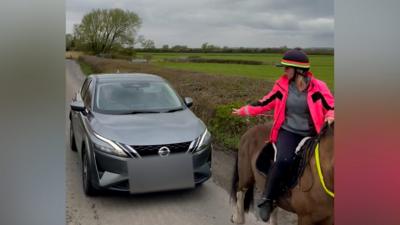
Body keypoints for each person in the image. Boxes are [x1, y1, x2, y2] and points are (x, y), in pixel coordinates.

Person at [232, 48, 334, 222]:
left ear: (298, 70)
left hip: (313, 133)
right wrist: (246, 110)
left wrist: (331, 115)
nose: (284, 71)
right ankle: (268, 200)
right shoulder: (282, 85)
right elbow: (266, 102)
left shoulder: (319, 87)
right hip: (289, 132)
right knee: (283, 160)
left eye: (287, 68)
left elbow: (331, 105)